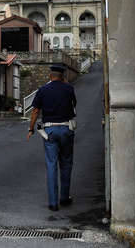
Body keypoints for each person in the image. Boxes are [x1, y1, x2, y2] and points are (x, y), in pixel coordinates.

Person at [27, 64, 77, 211]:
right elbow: (74, 107)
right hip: (66, 128)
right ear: (63, 76)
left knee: (51, 165)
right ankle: (65, 198)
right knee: (66, 163)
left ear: (50, 76)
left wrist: (31, 129)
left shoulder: (43, 90)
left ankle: (53, 203)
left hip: (49, 131)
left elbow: (35, 111)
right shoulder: (69, 89)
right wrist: (66, 85)